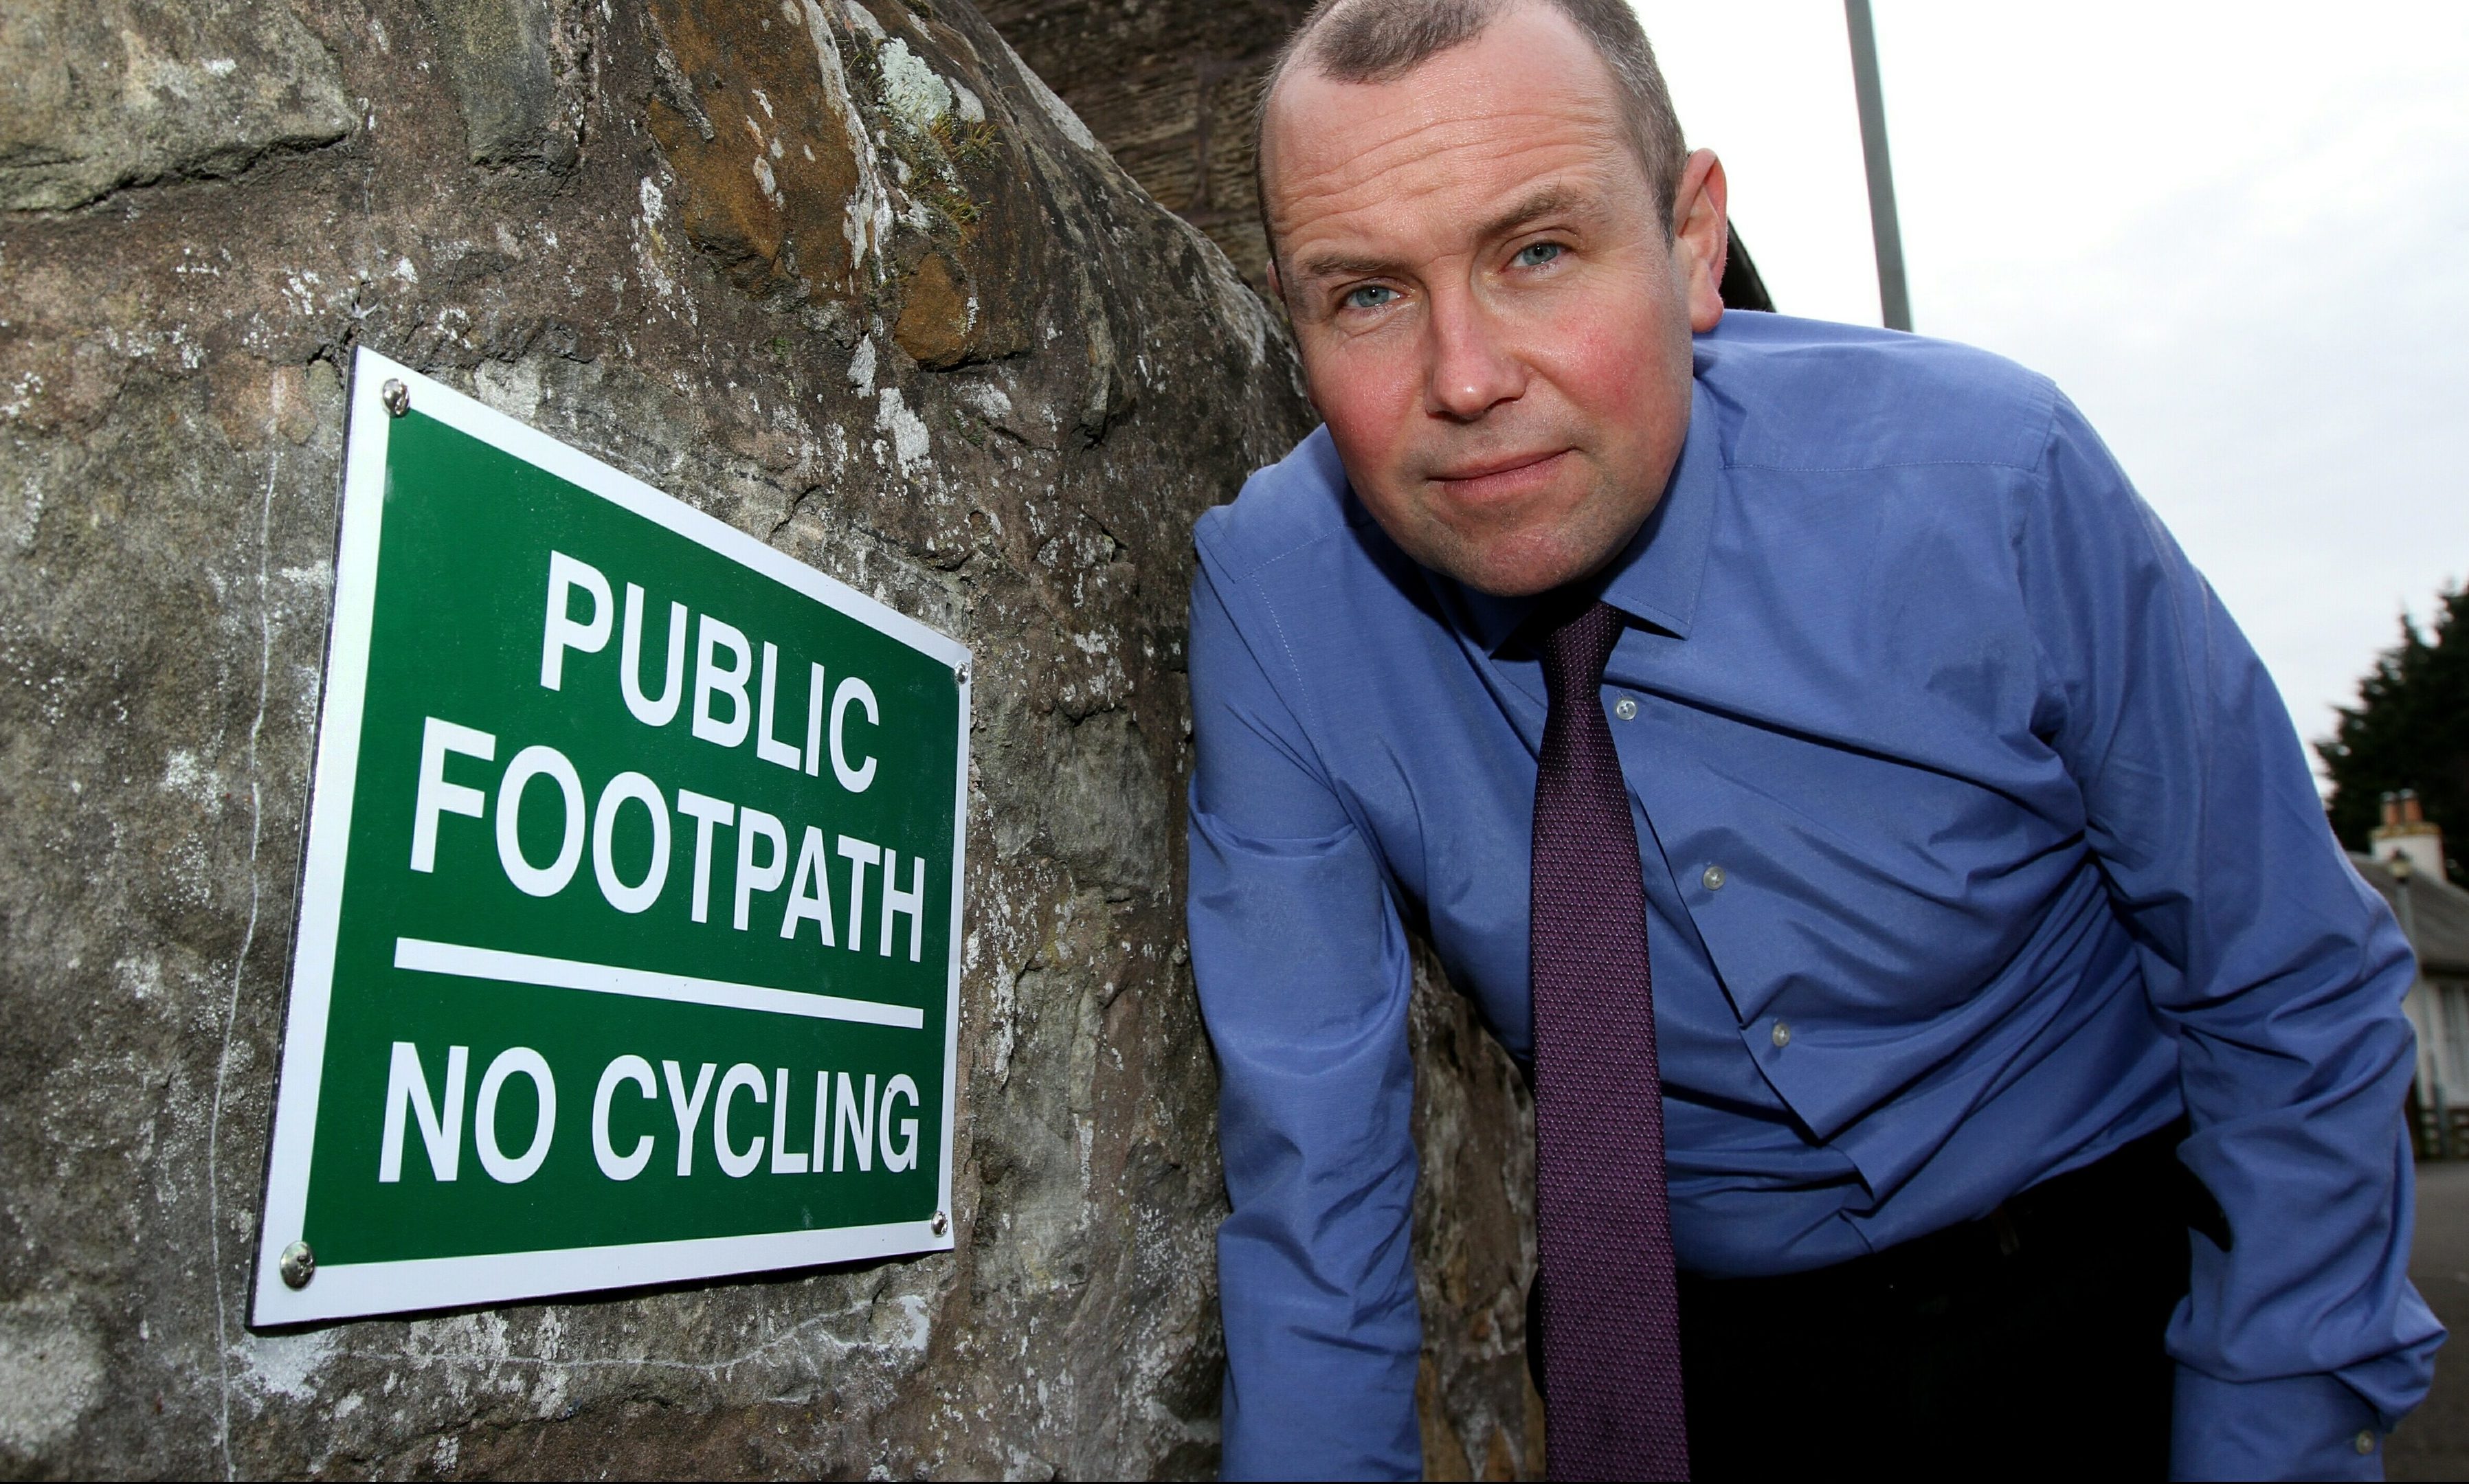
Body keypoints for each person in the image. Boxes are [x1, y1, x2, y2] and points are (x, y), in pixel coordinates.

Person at [1183, 0, 2444, 1478]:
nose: (1466, 378)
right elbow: (1315, 1192)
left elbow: (2287, 994)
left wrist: (2261, 1442)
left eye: (1535, 252)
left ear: (1694, 240)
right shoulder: (1277, 599)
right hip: (1698, 1369)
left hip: (2128, 1290)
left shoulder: (1995, 479)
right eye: (1368, 296)